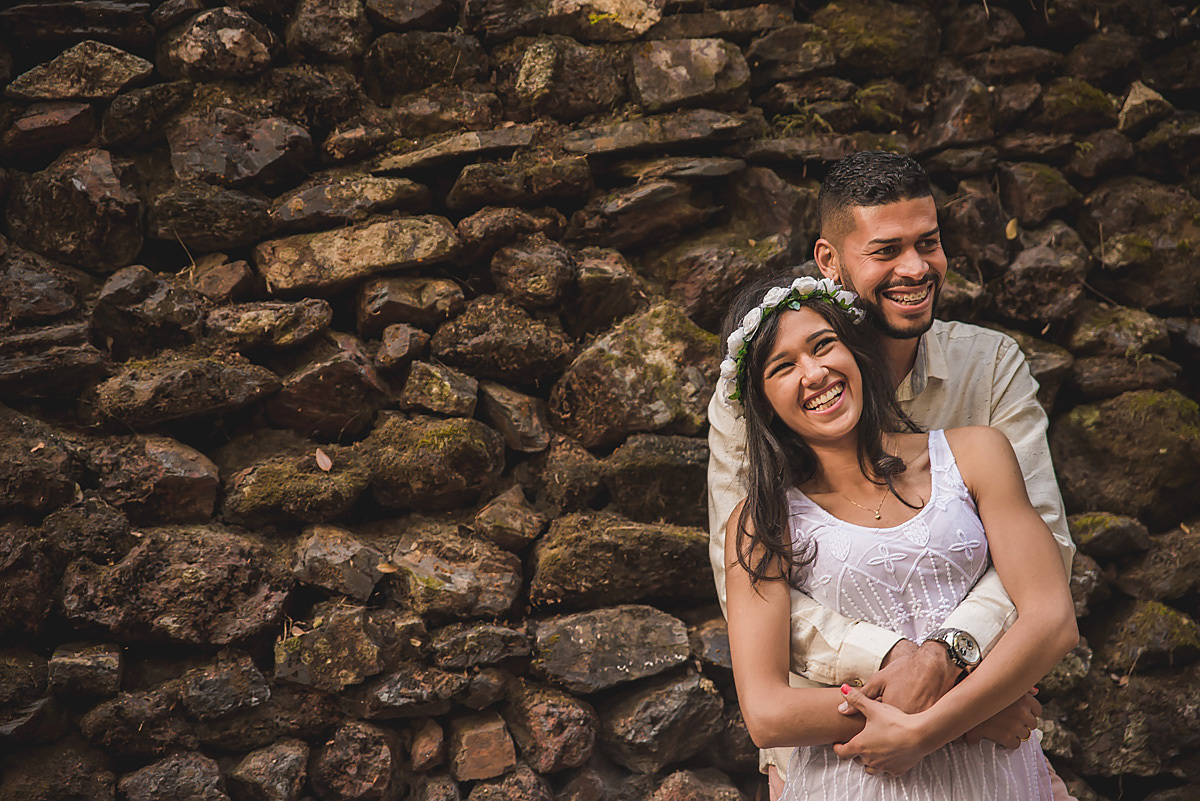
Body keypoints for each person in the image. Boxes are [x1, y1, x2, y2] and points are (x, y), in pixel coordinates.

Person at [706, 151, 1079, 798]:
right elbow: (754, 597)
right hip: (847, 748)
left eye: (927, 244)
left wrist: (947, 667)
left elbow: (1046, 556)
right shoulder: (748, 414)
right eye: (886, 250)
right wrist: (901, 673)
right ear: (831, 262)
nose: (915, 268)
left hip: (986, 732)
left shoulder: (987, 375)